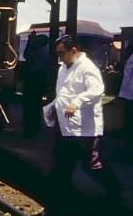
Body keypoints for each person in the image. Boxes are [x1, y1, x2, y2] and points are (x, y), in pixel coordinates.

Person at [43, 36, 122, 214]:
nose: (59, 57)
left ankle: (115, 194)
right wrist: (53, 109)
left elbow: (97, 89)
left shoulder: (87, 68)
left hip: (85, 127)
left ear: (74, 51)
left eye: (61, 53)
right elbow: (64, 92)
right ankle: (59, 205)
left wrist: (77, 102)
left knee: (92, 164)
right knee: (62, 164)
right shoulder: (64, 67)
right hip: (66, 125)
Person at [22, 32, 50, 136]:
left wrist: (30, 41)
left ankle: (29, 130)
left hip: (32, 80)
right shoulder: (46, 52)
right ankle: (34, 129)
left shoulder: (36, 51)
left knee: (29, 107)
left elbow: (26, 55)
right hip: (39, 80)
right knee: (36, 107)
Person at [118, 43, 133, 139]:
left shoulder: (131, 59)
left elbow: (127, 76)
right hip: (129, 94)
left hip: (129, 94)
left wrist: (122, 93)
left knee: (129, 118)